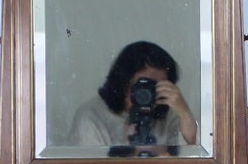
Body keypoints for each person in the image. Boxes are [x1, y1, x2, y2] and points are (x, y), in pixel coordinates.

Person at [65, 41, 198, 150]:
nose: (149, 93)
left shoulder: (169, 114)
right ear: (124, 81)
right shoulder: (91, 116)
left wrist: (184, 112)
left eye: (157, 87)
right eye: (144, 85)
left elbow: (192, 156)